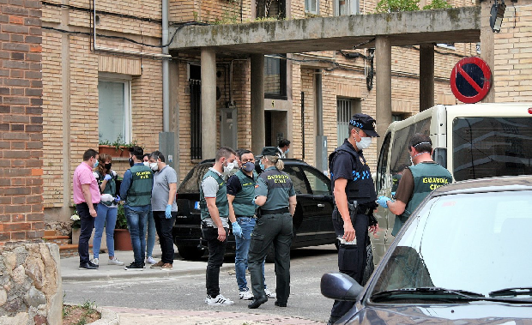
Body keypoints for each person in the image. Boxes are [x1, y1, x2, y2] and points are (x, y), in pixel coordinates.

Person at [327, 113, 380, 325]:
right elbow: (339, 191)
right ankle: (336, 319)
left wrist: (371, 218)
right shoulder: (343, 156)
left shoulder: (358, 154)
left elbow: (362, 191)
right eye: (366, 134)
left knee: (361, 271)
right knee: (350, 272)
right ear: (354, 132)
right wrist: (348, 223)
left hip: (360, 218)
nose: (369, 139)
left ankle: (352, 318)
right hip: (350, 220)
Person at [247, 147, 297, 309]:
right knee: (283, 261)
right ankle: (282, 299)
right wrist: (288, 217)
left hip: (268, 219)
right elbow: (293, 202)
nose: (260, 162)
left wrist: (251, 200)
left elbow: (261, 200)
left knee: (254, 258)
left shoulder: (263, 177)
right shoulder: (286, 177)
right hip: (285, 219)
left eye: (261, 159)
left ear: (266, 160)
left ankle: (259, 294)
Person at [377, 133, 453, 236]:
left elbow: (398, 209)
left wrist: (388, 202)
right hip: (437, 230)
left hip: (414, 232)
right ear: (431, 151)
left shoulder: (411, 172)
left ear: (412, 150)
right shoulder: (446, 174)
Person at [227, 149, 275, 300]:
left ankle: (261, 288)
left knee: (259, 257)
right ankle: (243, 289)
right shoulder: (236, 179)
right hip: (243, 221)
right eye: (245, 160)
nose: (249, 163)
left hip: (256, 220)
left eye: (251, 160)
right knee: (243, 257)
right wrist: (234, 223)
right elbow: (227, 201)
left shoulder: (257, 176)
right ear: (239, 163)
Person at [201, 147, 237, 306]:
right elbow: (211, 206)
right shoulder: (210, 179)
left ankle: (213, 294)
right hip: (214, 225)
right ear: (223, 160)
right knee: (215, 261)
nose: (233, 164)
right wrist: (220, 227)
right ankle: (213, 295)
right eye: (231, 161)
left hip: (220, 223)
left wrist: (231, 223)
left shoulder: (220, 178)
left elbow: (224, 203)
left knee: (217, 260)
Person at [120, 146, 154, 270]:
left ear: (133, 156)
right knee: (142, 234)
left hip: (133, 206)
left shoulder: (130, 172)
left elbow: (123, 191)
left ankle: (138, 261)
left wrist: (123, 199)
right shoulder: (149, 171)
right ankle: (142, 260)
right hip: (145, 205)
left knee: (135, 234)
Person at [91, 153, 124, 266]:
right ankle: (95, 257)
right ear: (101, 162)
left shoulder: (113, 174)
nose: (109, 164)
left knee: (110, 232)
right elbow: (97, 190)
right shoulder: (96, 175)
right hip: (101, 204)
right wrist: (104, 180)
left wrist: (119, 196)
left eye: (110, 162)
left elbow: (119, 185)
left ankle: (112, 257)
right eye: (107, 162)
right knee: (99, 231)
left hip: (112, 205)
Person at [148, 151, 178, 270]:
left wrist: (169, 205)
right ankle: (164, 258)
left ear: (159, 159)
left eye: (151, 161)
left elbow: (173, 188)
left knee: (166, 234)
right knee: (161, 234)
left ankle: (169, 260)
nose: (150, 164)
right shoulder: (156, 173)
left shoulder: (169, 171)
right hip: (156, 208)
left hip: (166, 208)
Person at [73, 149, 101, 270]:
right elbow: (86, 190)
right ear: (91, 158)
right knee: (85, 234)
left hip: (86, 205)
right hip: (86, 205)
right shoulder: (84, 170)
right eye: (96, 159)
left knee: (86, 233)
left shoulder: (82, 169)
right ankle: (84, 261)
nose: (97, 161)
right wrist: (91, 208)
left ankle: (85, 260)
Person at [142, 153, 156, 265]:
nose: (147, 163)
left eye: (149, 161)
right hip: (143, 204)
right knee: (142, 230)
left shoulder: (155, 173)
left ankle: (149, 254)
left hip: (154, 204)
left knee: (152, 231)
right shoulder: (142, 173)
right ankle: (141, 253)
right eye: (145, 160)